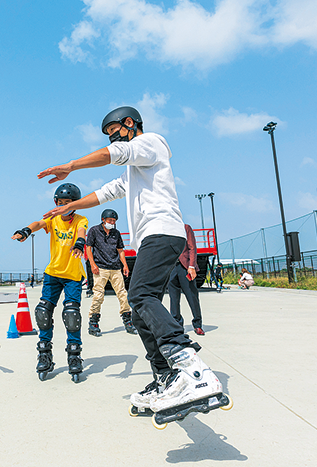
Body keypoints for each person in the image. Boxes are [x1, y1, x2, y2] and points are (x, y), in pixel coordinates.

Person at [39, 106, 226, 422]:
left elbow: (116, 153)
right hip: (154, 238)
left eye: (113, 130)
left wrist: (71, 166)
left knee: (139, 296)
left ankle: (191, 369)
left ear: (129, 123)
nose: (111, 137)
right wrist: (70, 206)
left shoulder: (151, 143)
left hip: (163, 231)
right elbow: (104, 193)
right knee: (140, 308)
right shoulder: (135, 174)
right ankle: (167, 377)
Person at [12, 183, 88, 383]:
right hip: (53, 273)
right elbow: (39, 223)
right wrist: (26, 231)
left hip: (72, 275)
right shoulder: (53, 219)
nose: (64, 206)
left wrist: (80, 243)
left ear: (76, 204)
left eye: (68, 203)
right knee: (43, 311)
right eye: (60, 203)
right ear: (56, 203)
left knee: (71, 314)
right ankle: (44, 354)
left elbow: (81, 232)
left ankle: (74, 355)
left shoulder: (81, 219)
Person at [84, 208, 136, 336]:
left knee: (123, 294)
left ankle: (128, 321)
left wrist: (125, 265)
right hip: (100, 268)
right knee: (98, 295)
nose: (112, 223)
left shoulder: (116, 233)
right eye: (110, 220)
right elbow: (89, 248)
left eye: (114, 221)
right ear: (103, 220)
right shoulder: (94, 231)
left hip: (115, 267)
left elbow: (120, 250)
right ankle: (93, 323)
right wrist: (93, 264)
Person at [167, 224, 205, 336]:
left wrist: (192, 266)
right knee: (173, 299)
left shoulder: (185, 227)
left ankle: (197, 324)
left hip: (185, 267)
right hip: (171, 267)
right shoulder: (165, 228)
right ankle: (177, 325)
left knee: (192, 296)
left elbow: (192, 247)